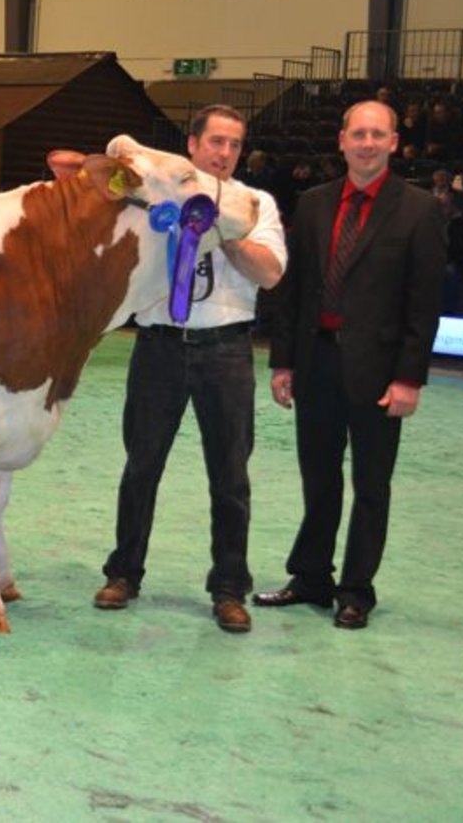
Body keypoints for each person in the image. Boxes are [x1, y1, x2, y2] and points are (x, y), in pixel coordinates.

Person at [94, 105, 286, 633]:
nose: (224, 153)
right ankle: (124, 573)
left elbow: (270, 273)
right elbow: (115, 155)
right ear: (193, 145)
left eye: (234, 145)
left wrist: (220, 229)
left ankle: (229, 588)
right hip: (157, 343)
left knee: (230, 476)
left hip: (226, 349)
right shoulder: (157, 192)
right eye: (216, 142)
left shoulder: (253, 203)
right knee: (141, 467)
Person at [257, 101, 445, 630]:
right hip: (316, 362)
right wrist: (283, 363)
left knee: (371, 484)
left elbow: (423, 303)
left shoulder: (419, 210)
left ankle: (356, 589)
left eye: (377, 134)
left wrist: (410, 377)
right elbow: (294, 293)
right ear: (341, 141)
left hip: (381, 372)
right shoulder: (314, 204)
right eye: (358, 133)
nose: (366, 143)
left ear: (393, 142)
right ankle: (311, 577)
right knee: (318, 477)